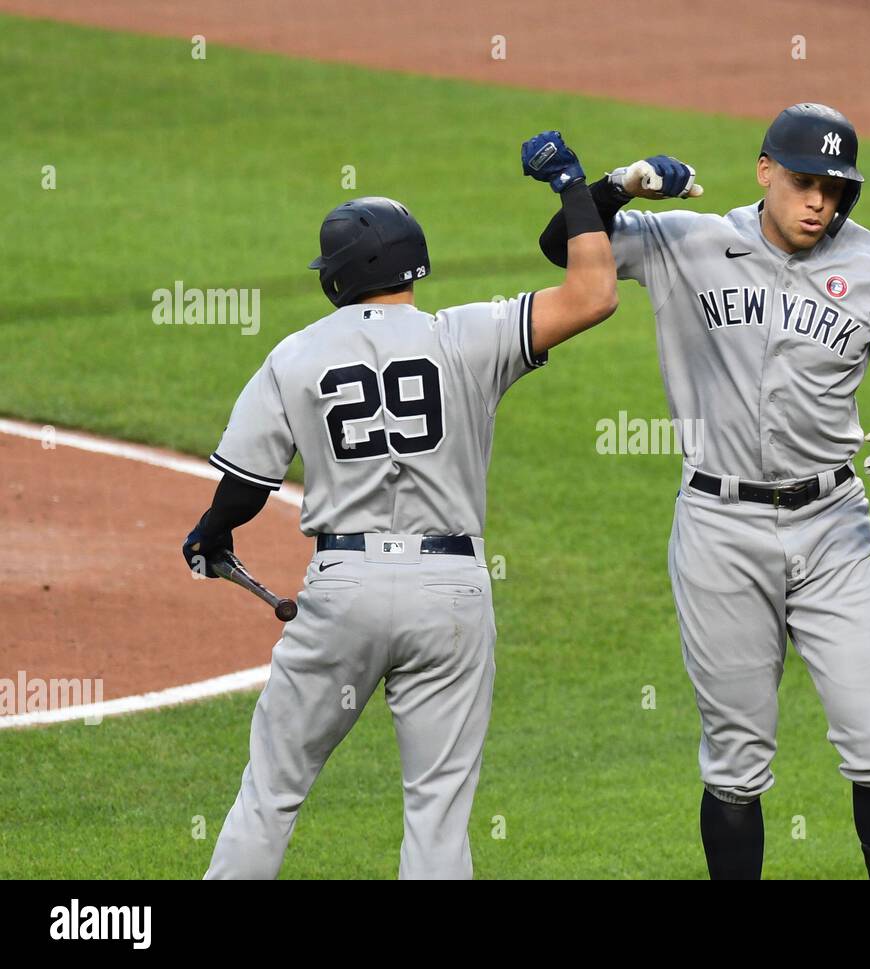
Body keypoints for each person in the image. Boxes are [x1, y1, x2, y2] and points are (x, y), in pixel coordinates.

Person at [537, 103, 870, 879]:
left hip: (834, 527)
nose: (822, 203)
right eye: (807, 182)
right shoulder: (689, 242)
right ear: (765, 171)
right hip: (719, 528)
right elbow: (562, 247)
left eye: (837, 189)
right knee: (736, 764)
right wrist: (620, 183)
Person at [184, 131, 613, 879]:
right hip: (449, 592)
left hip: (343, 590)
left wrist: (210, 533)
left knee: (273, 791)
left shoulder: (298, 352)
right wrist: (576, 188)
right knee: (438, 808)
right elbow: (593, 294)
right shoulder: (468, 335)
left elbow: (248, 484)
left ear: (339, 276)